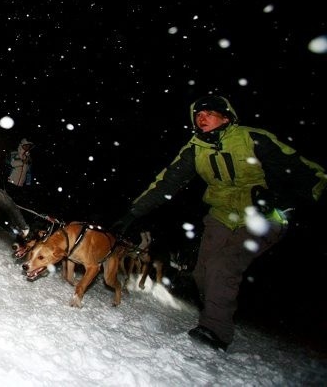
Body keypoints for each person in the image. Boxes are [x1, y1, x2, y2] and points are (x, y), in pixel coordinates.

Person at [112, 95, 325, 352]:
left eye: (209, 113)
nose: (202, 118)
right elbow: (166, 183)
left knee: (223, 266)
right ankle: (217, 307)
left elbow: (312, 175)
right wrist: (133, 213)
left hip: (263, 218)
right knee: (202, 274)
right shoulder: (195, 148)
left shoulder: (253, 138)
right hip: (221, 216)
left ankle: (215, 332)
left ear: (227, 117)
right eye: (198, 116)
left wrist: (281, 198)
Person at [5, 138, 34, 205]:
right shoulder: (14, 153)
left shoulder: (29, 158)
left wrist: (28, 184)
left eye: (28, 146)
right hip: (11, 182)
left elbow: (28, 172)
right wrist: (22, 162)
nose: (27, 147)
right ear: (22, 145)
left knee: (16, 204)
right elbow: (11, 164)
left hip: (20, 186)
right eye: (26, 145)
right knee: (7, 202)